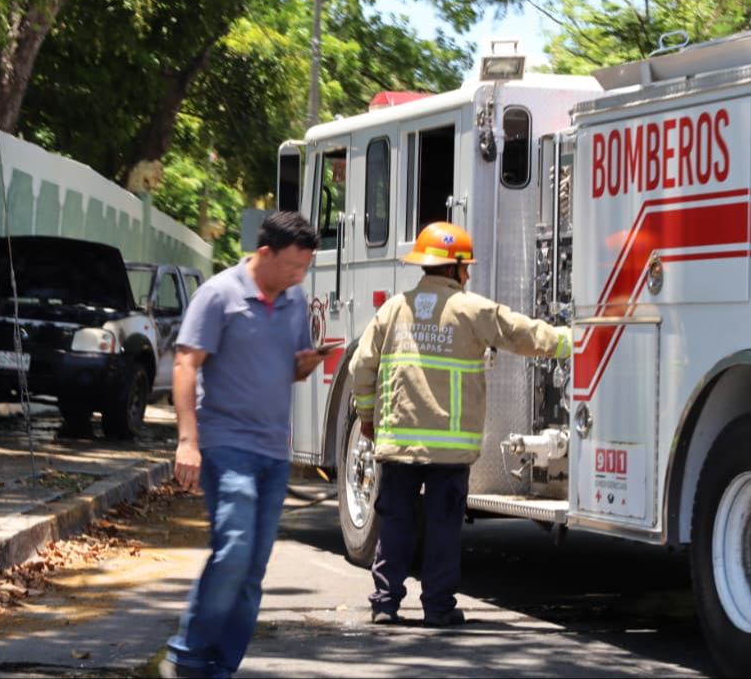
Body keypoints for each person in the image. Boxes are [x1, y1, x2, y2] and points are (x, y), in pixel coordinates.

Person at [347, 221, 572, 627]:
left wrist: (367, 416)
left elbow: (360, 366)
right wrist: (570, 341)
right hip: (449, 452)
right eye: (465, 268)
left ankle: (385, 603)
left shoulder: (393, 309)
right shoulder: (472, 310)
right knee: (442, 528)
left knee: (395, 523)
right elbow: (519, 333)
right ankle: (437, 607)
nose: (467, 275)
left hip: (397, 446)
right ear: (452, 268)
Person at [160, 211, 323, 679]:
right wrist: (187, 441)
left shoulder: (293, 301)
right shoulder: (219, 294)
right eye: (293, 266)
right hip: (225, 442)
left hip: (274, 449)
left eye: (305, 268)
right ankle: (187, 656)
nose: (299, 276)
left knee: (253, 566)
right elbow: (186, 364)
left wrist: (306, 365)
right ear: (264, 253)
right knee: (233, 548)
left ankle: (221, 666)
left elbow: (287, 368)